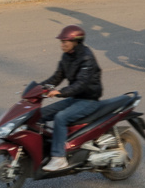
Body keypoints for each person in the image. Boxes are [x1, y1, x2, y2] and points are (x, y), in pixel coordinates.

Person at [40, 25, 103, 172]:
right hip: (75, 98)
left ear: (76, 41)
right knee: (41, 114)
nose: (62, 45)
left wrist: (59, 93)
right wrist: (38, 88)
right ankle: (47, 149)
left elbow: (81, 84)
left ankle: (59, 158)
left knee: (60, 118)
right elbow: (57, 77)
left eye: (65, 42)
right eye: (61, 42)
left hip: (89, 100)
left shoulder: (86, 57)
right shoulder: (66, 56)